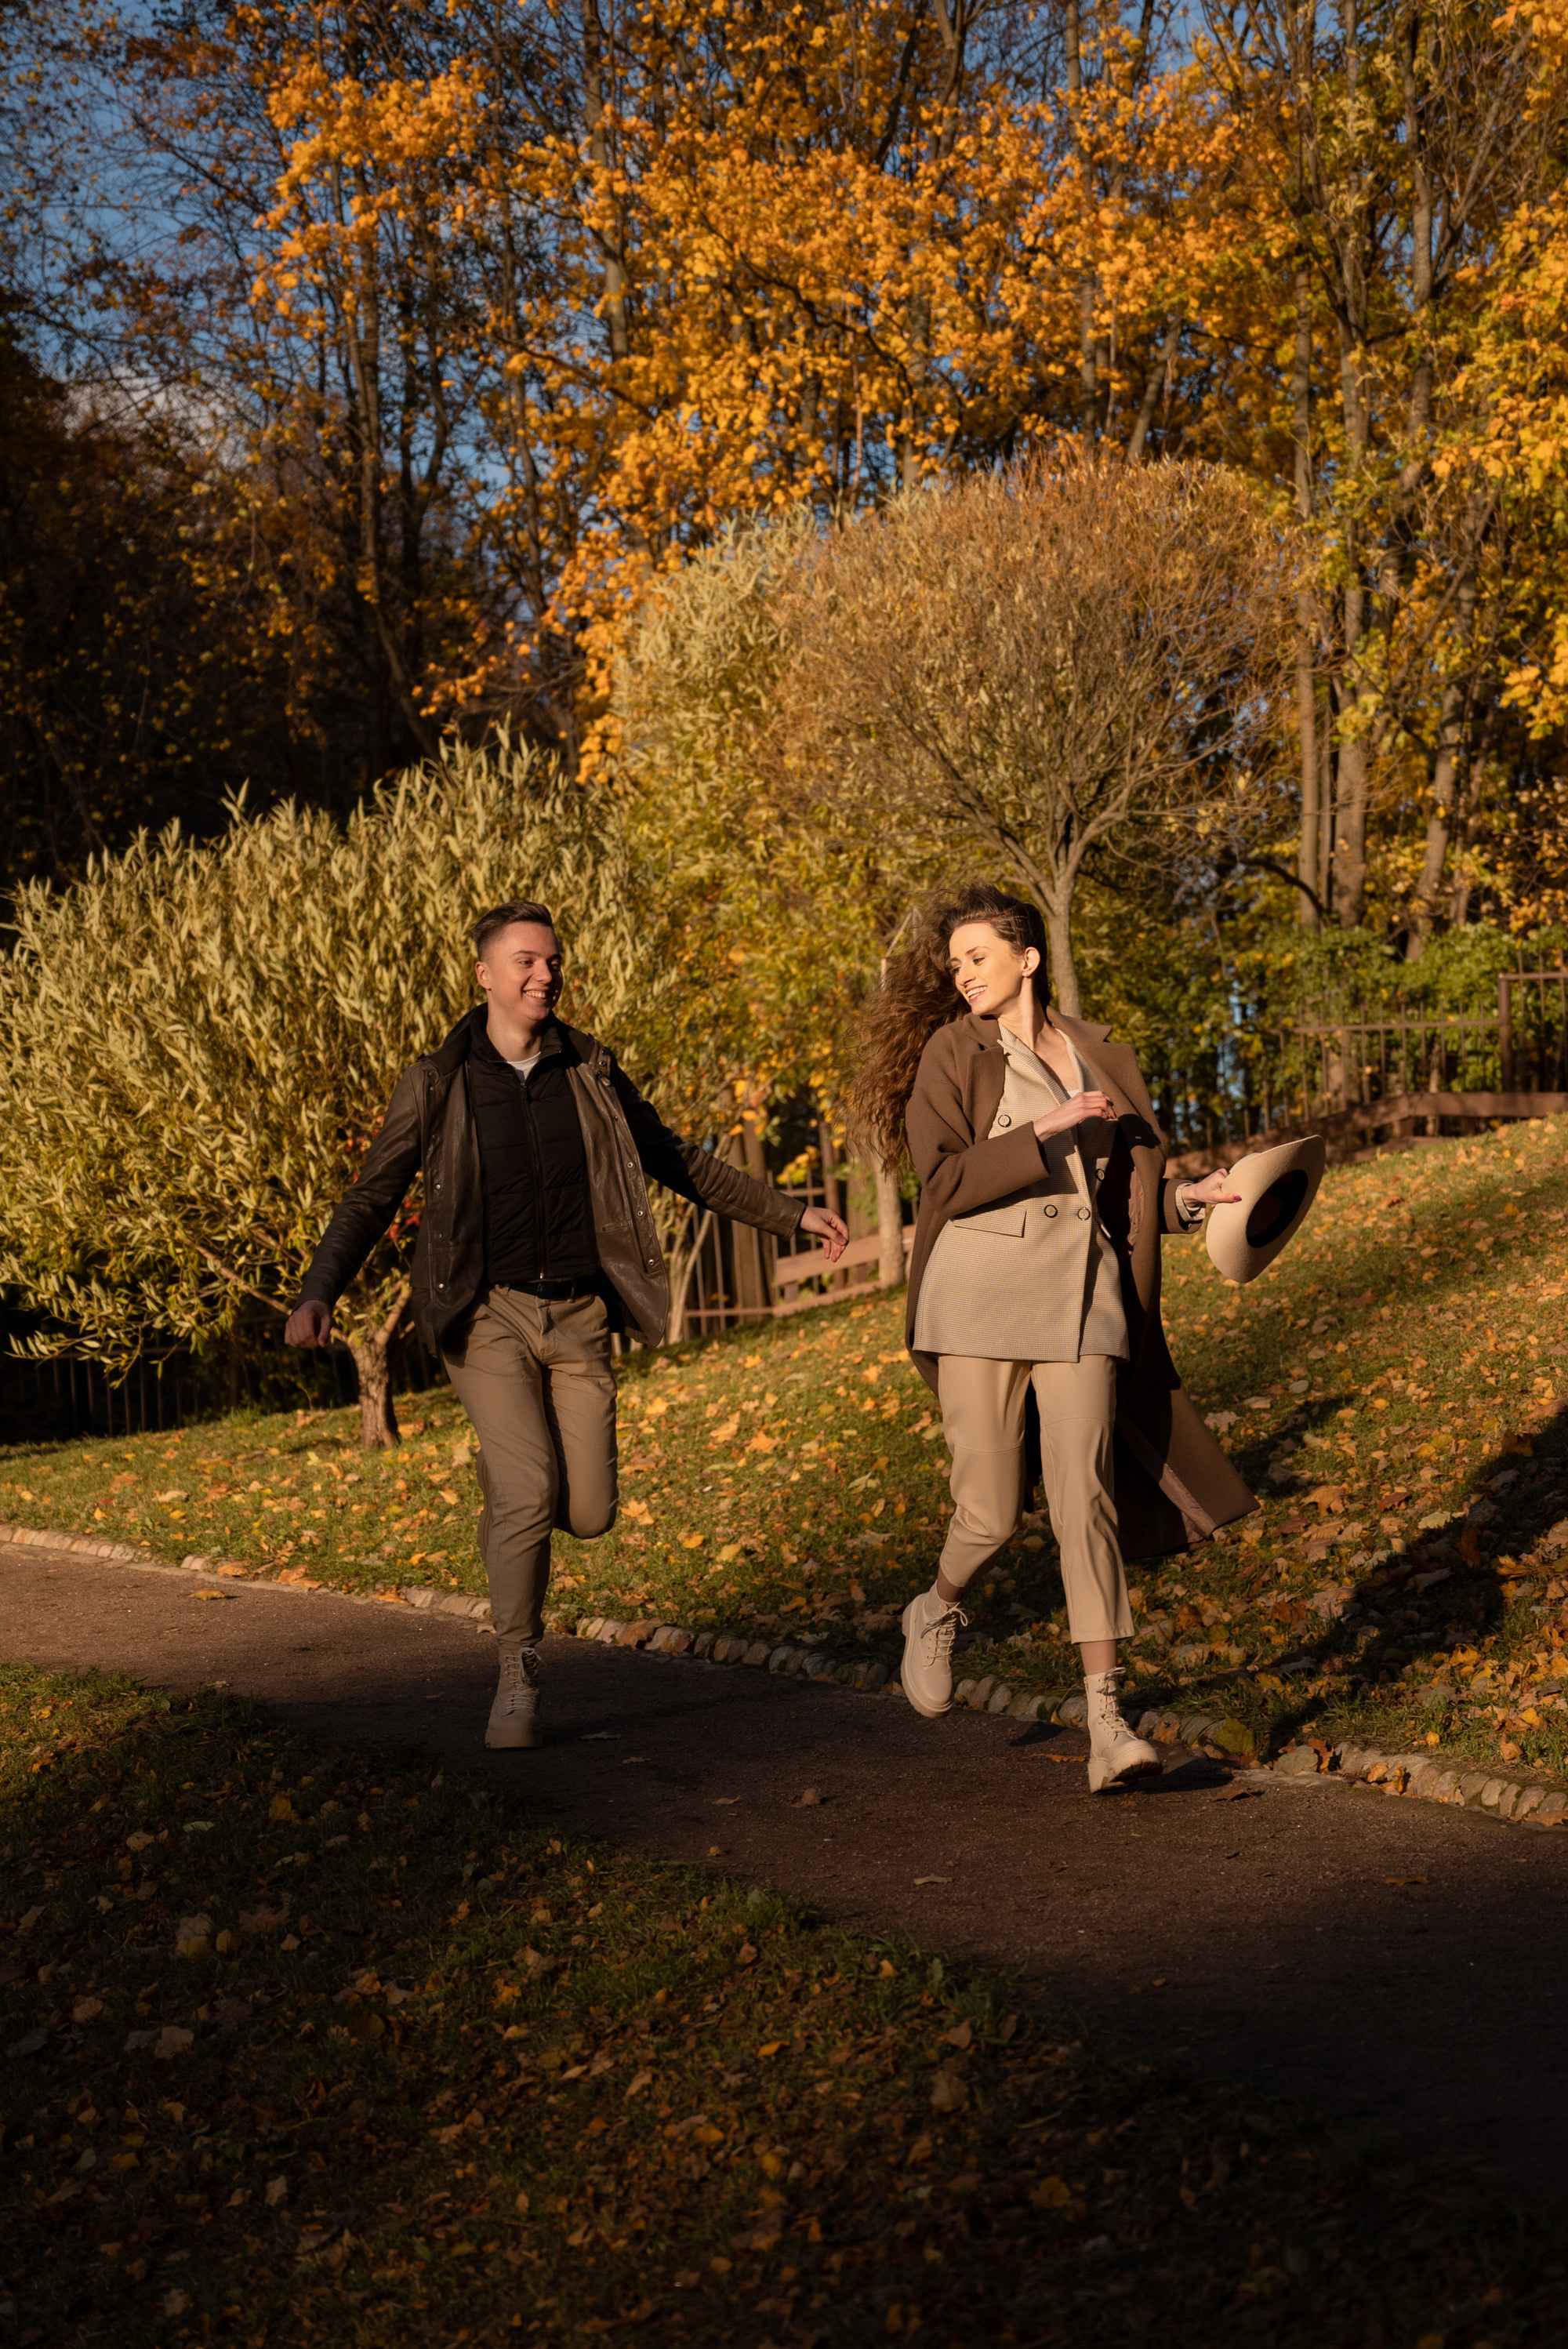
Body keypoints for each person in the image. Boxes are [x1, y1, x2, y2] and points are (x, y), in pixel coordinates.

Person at [285, 900, 848, 1749]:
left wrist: (788, 1213)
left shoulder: (588, 1068)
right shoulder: (435, 1083)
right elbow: (373, 1194)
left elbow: (674, 1157)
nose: (543, 973)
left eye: (551, 960)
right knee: (528, 1492)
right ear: (484, 974)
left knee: (586, 1511)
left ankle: (510, 1493)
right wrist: (317, 1289)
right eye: (524, 961)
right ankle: (518, 1668)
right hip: (486, 1312)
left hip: (580, 1311)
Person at [851, 883, 1254, 1792]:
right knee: (990, 1510)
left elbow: (1126, 1192)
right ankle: (936, 1607)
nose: (962, 975)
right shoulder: (950, 1053)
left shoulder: (1099, 1052)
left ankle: (1108, 1721)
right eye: (953, 964)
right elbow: (941, 1181)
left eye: (977, 957)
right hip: (978, 1299)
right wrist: (1046, 1126)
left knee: (1086, 1503)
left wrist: (1193, 1199)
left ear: (1026, 957)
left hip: (1085, 1299)